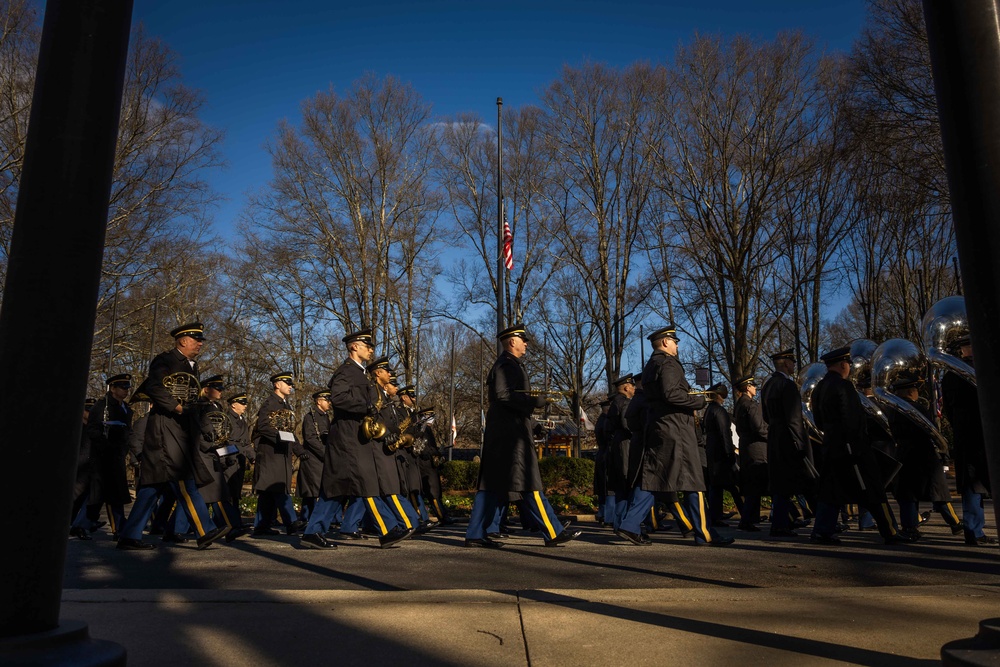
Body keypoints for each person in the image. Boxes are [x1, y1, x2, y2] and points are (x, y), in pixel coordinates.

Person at [465, 323, 582, 548]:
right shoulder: (507, 365)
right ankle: (552, 531)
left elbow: (509, 401)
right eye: (523, 340)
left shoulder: (509, 365)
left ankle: (475, 534)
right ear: (512, 342)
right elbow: (503, 396)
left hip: (505, 434)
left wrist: (533, 423)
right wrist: (533, 403)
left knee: (491, 486)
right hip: (511, 437)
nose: (526, 344)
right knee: (529, 481)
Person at [116, 322, 229, 550]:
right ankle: (204, 531)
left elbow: (191, 394)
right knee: (185, 479)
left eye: (200, 341)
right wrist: (177, 407)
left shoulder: (192, 366)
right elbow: (155, 388)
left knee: (152, 487)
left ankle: (129, 535)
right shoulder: (165, 360)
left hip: (180, 429)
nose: (199, 344)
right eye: (196, 340)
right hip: (166, 427)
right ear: (182, 340)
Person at [299, 328, 408, 549]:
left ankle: (312, 532)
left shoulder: (359, 374)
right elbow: (338, 398)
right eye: (367, 346)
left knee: (336, 488)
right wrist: (366, 406)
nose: (370, 350)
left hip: (355, 437)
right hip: (347, 439)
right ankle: (387, 529)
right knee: (363, 482)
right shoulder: (346, 371)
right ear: (354, 346)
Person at [639, 325, 733, 547]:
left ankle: (629, 524)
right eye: (674, 341)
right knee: (694, 482)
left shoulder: (651, 365)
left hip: (663, 427)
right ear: (664, 343)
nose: (677, 345)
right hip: (677, 430)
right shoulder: (668, 363)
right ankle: (705, 534)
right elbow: (671, 394)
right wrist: (699, 401)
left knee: (658, 482)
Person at [809, 347, 906, 545]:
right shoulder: (844, 387)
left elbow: (818, 421)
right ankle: (890, 531)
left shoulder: (819, 388)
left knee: (830, 492)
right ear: (843, 364)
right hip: (852, 447)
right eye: (849, 364)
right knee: (874, 489)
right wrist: (858, 444)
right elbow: (852, 420)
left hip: (831, 446)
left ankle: (822, 531)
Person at [886, 372, 962, 540]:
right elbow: (932, 430)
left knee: (908, 494)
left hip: (903, 454)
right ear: (911, 391)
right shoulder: (917, 408)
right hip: (924, 454)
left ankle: (910, 527)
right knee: (938, 491)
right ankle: (955, 523)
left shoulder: (891, 410)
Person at [941, 334, 997, 546]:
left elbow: (947, 408)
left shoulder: (949, 375)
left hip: (964, 434)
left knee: (971, 485)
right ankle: (975, 531)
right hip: (984, 432)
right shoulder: (985, 368)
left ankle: (973, 530)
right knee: (981, 481)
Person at [70, 374, 133, 540]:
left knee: (110, 496)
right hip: (103, 457)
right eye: (122, 387)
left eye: (127, 387)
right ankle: (117, 529)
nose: (125, 390)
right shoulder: (101, 407)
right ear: (112, 389)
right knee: (105, 496)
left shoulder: (126, 409)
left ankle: (82, 525)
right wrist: (106, 446)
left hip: (117, 457)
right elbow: (93, 430)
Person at [760, 349, 814, 538]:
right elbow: (794, 418)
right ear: (785, 363)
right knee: (789, 483)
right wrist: (799, 443)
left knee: (780, 483)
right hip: (788, 438)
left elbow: (766, 416)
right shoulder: (787, 385)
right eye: (792, 362)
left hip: (774, 436)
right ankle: (782, 524)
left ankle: (782, 521)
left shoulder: (767, 385)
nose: (794, 366)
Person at [190, 375, 245, 541]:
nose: (221, 391)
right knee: (215, 492)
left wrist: (225, 452)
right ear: (206, 389)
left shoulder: (216, 406)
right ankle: (231, 526)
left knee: (210, 494)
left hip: (214, 454)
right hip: (204, 454)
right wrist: (209, 445)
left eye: (221, 388)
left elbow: (222, 433)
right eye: (217, 388)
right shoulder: (199, 407)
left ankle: (175, 529)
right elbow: (198, 433)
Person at [252, 372, 306, 537]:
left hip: (281, 452)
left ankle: (261, 526)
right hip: (271, 453)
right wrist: (280, 438)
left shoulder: (286, 406)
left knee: (268, 493)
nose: (291, 386)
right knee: (279, 487)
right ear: (277, 384)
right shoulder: (270, 404)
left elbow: (289, 431)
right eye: (287, 383)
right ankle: (291, 522)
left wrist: (299, 450)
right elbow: (262, 426)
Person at [703, 382, 743, 529]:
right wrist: (729, 453)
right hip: (721, 453)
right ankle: (745, 515)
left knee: (718, 486)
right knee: (730, 486)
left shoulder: (709, 410)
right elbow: (724, 433)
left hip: (713, 452)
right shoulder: (719, 411)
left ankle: (716, 516)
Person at [605, 374, 635, 534]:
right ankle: (625, 523)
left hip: (617, 444)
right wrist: (636, 434)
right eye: (632, 386)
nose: (634, 388)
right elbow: (626, 423)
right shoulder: (624, 402)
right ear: (625, 387)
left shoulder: (615, 402)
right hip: (625, 445)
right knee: (626, 484)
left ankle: (619, 522)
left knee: (620, 488)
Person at [296, 390, 331, 523]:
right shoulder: (310, 417)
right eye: (326, 400)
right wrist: (324, 452)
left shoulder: (326, 417)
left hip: (321, 458)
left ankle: (308, 519)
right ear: (319, 401)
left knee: (315, 490)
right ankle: (308, 519)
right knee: (312, 491)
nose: (329, 403)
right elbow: (310, 439)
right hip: (313, 458)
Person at [224, 391, 253, 542]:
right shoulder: (227, 418)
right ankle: (231, 524)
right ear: (233, 405)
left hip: (240, 460)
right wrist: (228, 457)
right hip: (230, 460)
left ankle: (236, 523)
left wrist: (252, 457)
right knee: (229, 494)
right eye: (242, 403)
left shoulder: (242, 420)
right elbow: (225, 441)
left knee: (235, 494)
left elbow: (246, 443)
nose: (245, 406)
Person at [593, 398, 613, 525]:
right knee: (609, 486)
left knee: (602, 487)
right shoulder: (606, 420)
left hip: (601, 454)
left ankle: (602, 513)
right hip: (607, 454)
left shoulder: (600, 420)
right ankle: (608, 515)